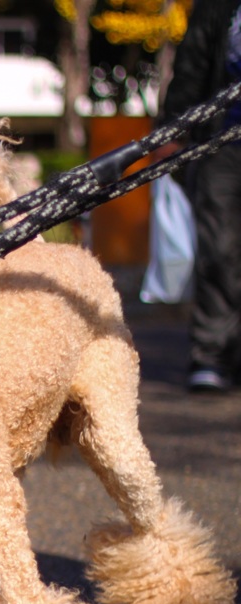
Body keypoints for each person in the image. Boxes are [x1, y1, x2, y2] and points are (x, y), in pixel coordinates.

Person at [159, 0, 241, 392]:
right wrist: (172, 133)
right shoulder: (217, 6)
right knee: (218, 249)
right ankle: (211, 353)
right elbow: (191, 66)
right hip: (220, 144)